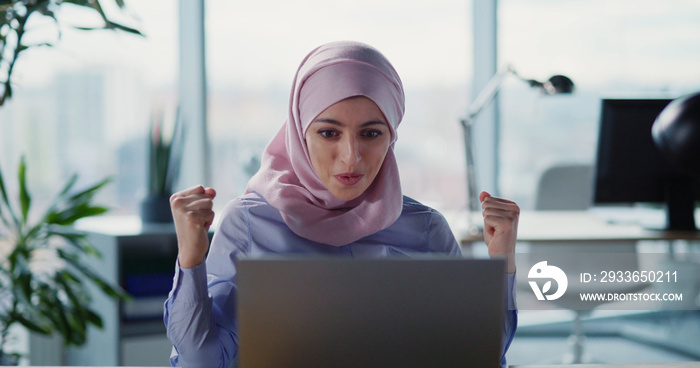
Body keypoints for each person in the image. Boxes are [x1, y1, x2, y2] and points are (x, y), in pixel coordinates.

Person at [164, 40, 519, 368]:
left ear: (391, 136)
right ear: (300, 132)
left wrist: (502, 257)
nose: (351, 157)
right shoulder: (249, 222)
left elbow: (478, 357)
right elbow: (202, 361)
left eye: (371, 133)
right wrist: (191, 257)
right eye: (329, 132)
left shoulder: (425, 228)